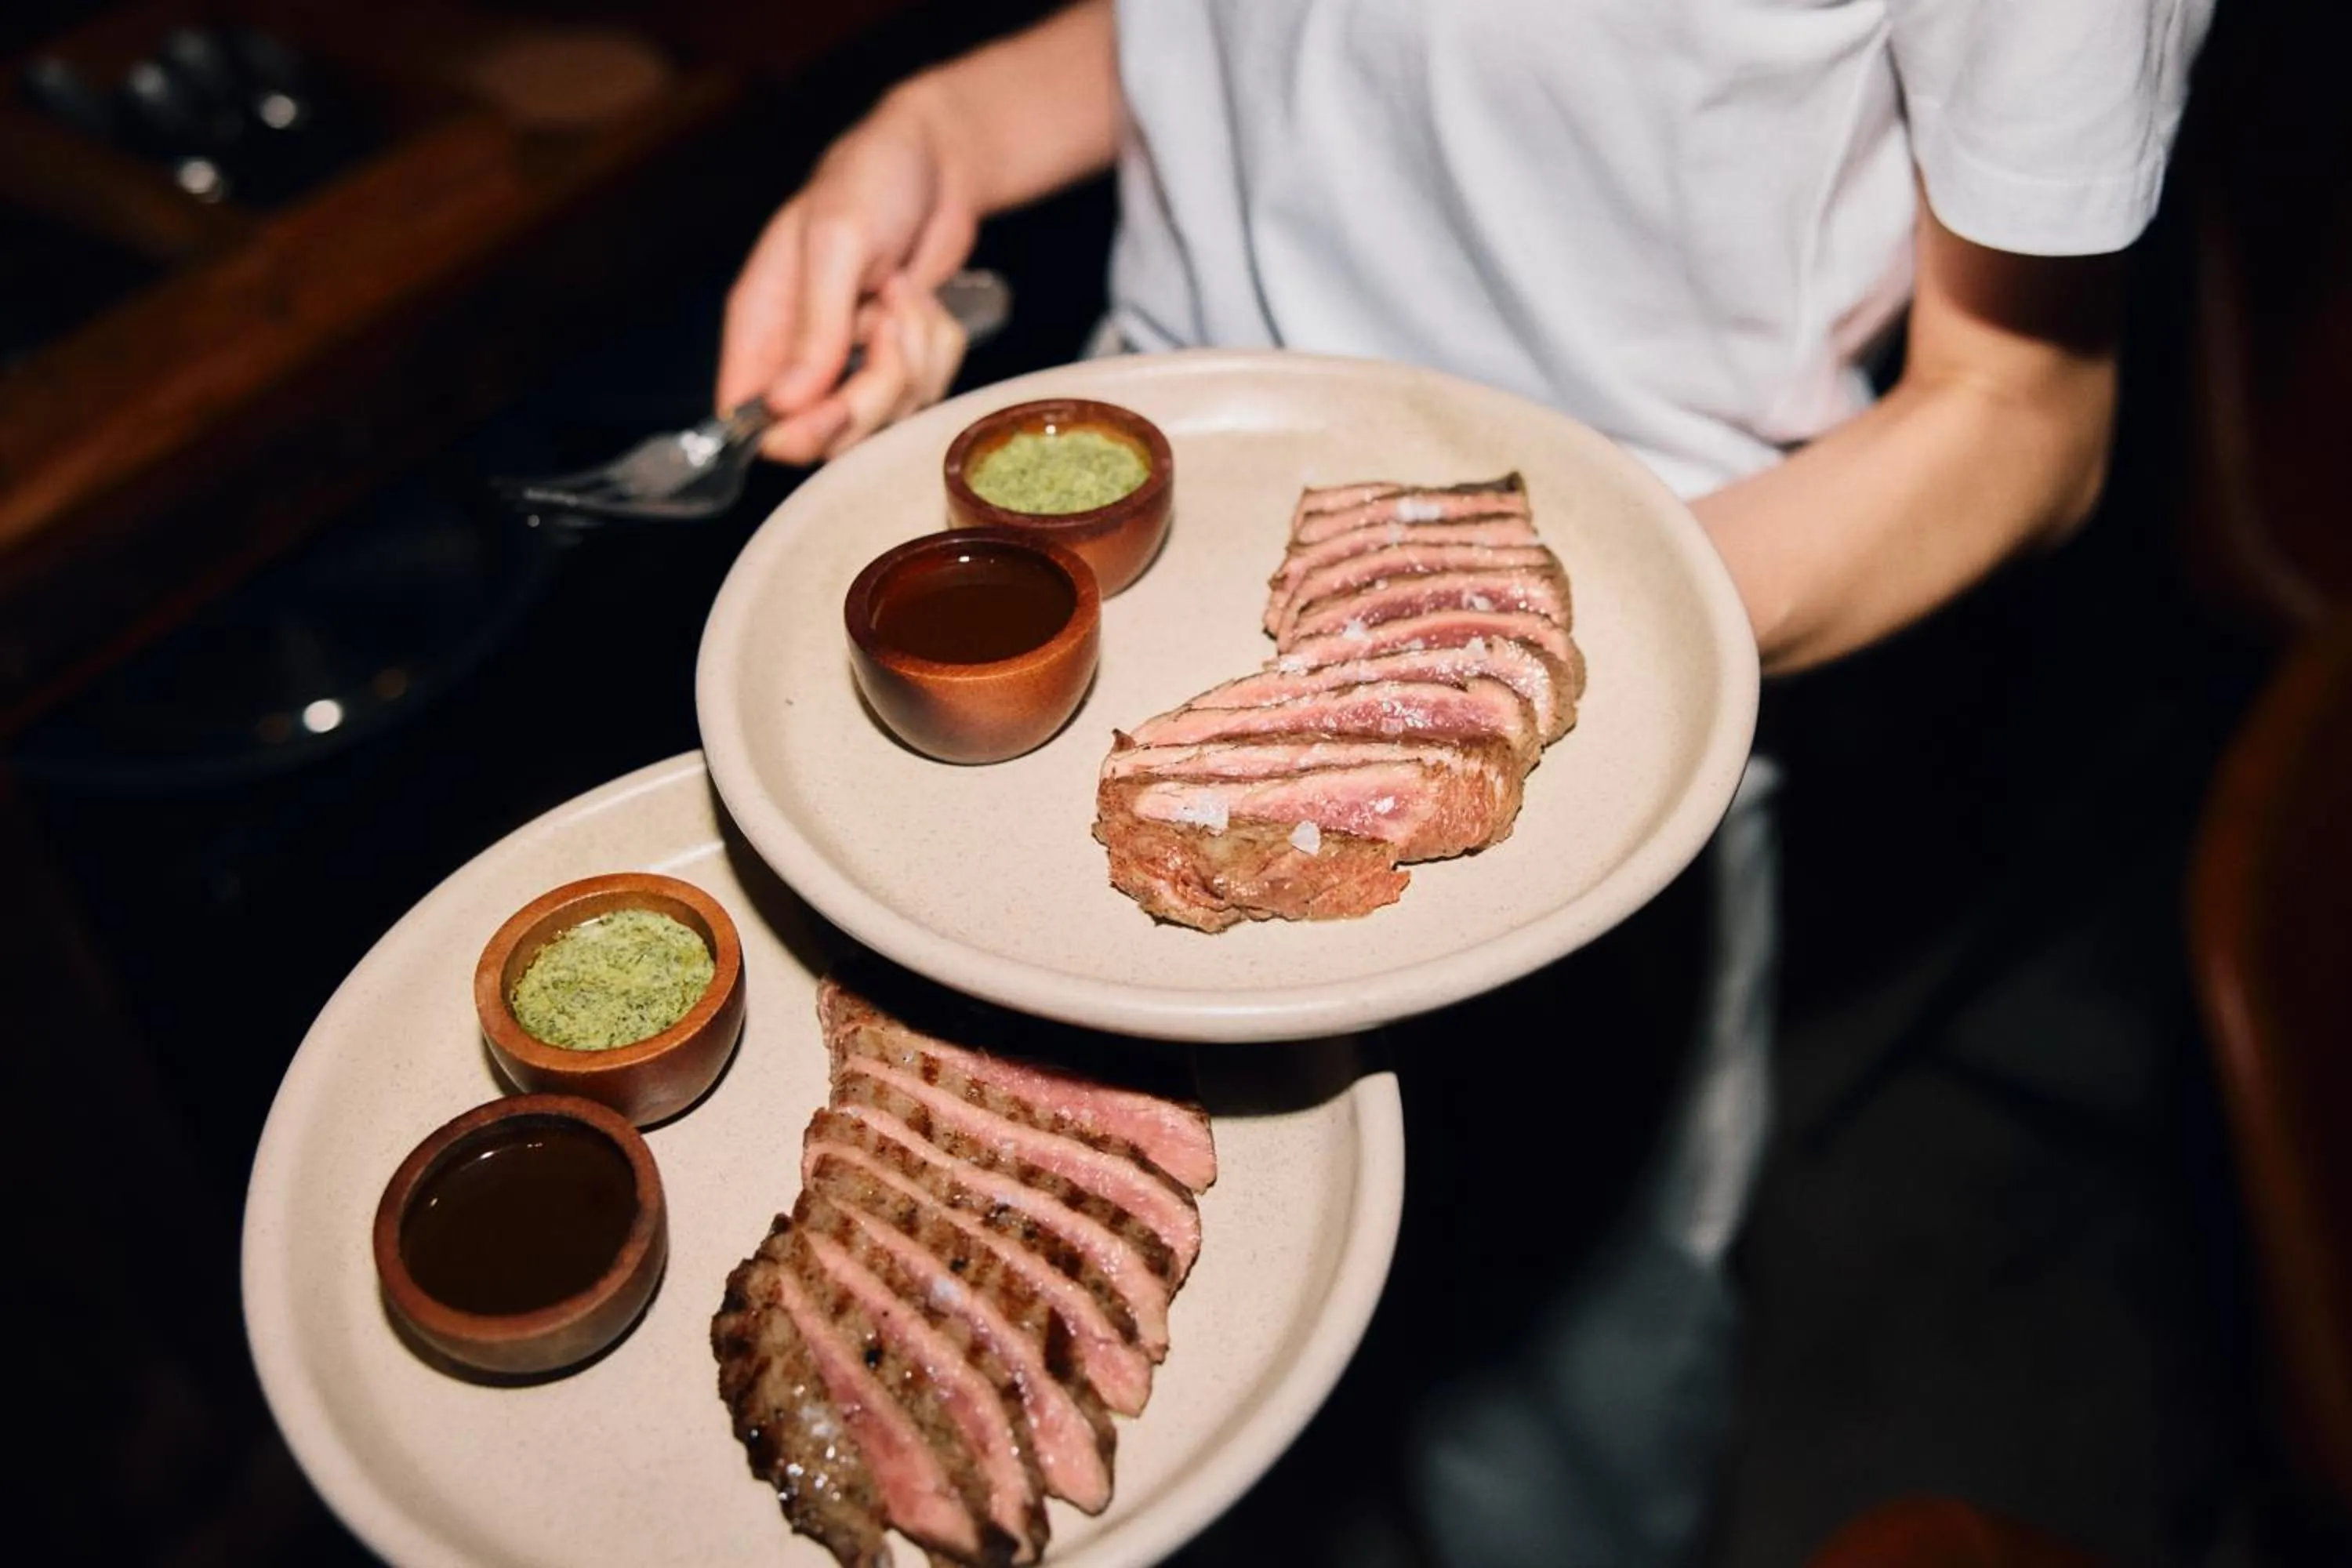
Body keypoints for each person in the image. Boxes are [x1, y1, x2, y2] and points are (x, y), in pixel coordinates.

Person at [717, 3, 2213, 1562]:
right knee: (1110, 1378)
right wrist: (940, 137)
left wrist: (1496, 650)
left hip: (1628, 668)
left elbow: (2023, 413)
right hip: (1145, 570)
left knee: (1552, 1424)